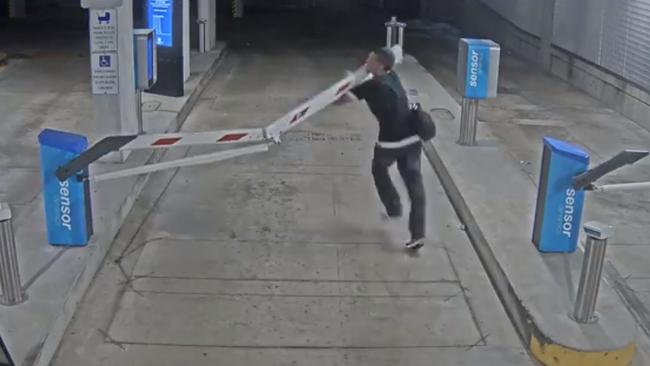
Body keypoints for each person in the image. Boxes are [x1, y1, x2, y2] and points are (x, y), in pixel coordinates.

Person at [337, 47, 425, 250]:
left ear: (379, 64)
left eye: (371, 58)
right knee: (415, 186)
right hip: (412, 139)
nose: (367, 59)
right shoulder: (392, 76)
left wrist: (347, 84)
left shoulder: (372, 86)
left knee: (379, 168)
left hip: (390, 142)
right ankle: (418, 234)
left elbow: (341, 100)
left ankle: (393, 206)